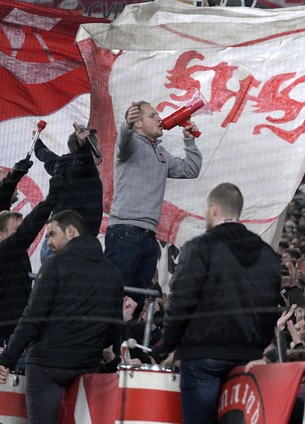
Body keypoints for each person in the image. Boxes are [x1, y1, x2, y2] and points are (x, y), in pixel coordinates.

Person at [153, 183, 281, 424]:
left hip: (203, 356)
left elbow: (181, 301)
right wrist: (258, 345)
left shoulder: (199, 247)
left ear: (213, 210)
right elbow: (271, 306)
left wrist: (167, 345)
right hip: (248, 356)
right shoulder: (267, 254)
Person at [0, 210, 124, 423]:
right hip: (87, 365)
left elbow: (32, 317)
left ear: (71, 231)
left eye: (51, 234)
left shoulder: (54, 264)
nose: (48, 241)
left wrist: (7, 359)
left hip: (47, 366)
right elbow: (113, 329)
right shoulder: (113, 274)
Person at [105, 101, 201, 295]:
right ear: (138, 123)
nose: (159, 118)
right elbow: (123, 141)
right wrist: (127, 124)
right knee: (115, 297)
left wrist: (189, 141)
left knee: (135, 301)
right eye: (152, 115)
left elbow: (190, 170)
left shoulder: (160, 153)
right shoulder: (130, 145)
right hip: (125, 231)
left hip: (149, 236)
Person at [0, 174, 62, 346]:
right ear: (1, 235)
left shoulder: (17, 254)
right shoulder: (4, 252)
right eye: (16, 230)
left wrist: (11, 182)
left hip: (17, 336)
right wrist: (50, 200)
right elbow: (27, 231)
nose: (20, 234)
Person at [33, 122, 103, 235]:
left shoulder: (58, 164)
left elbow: (44, 154)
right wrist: (82, 145)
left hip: (54, 236)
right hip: (74, 240)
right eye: (99, 146)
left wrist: (37, 143)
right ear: (91, 150)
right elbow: (82, 161)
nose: (101, 150)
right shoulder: (84, 169)